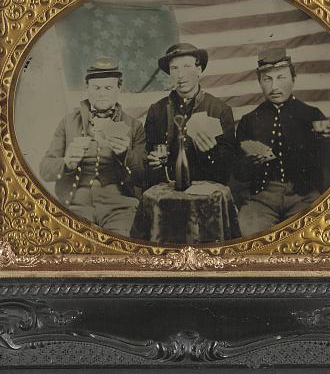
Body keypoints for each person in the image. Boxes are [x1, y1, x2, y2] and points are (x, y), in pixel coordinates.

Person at [234, 48, 330, 237]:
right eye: (267, 79)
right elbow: (238, 172)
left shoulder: (313, 114)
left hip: (303, 197)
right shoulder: (249, 120)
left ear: (293, 78)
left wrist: (328, 144)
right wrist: (248, 162)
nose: (274, 87)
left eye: (281, 77)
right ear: (260, 82)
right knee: (251, 235)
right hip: (262, 199)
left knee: (310, 237)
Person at [39, 58, 145, 237]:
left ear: (119, 89)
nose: (102, 94)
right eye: (96, 88)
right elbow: (45, 170)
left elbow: (144, 176)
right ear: (87, 88)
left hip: (119, 205)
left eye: (108, 88)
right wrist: (66, 163)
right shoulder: (68, 123)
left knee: (120, 248)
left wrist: (126, 154)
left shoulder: (134, 126)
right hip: (75, 204)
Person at [143, 43, 236, 187]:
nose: (180, 75)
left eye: (187, 66)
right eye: (174, 68)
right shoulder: (156, 110)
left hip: (206, 188)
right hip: (167, 187)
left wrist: (212, 152)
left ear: (199, 70)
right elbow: (146, 157)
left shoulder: (220, 110)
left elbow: (228, 168)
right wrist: (152, 161)